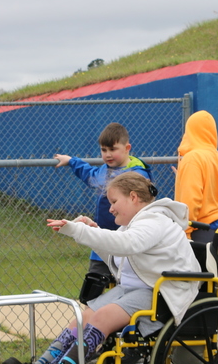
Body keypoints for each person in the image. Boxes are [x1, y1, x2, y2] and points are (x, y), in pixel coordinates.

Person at [0, 172, 199, 364]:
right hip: (137, 290)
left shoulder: (155, 221)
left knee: (102, 317)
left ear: (133, 197)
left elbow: (125, 244)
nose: (111, 208)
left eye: (114, 202)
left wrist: (82, 231)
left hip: (162, 294)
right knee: (83, 318)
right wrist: (92, 230)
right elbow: (117, 255)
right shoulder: (134, 224)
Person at [54, 122, 152, 302]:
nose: (107, 154)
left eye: (113, 149)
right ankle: (90, 313)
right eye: (103, 150)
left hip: (127, 243)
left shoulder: (137, 175)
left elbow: (146, 203)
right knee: (93, 287)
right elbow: (89, 174)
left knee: (128, 289)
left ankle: (120, 314)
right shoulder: (104, 171)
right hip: (102, 241)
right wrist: (72, 161)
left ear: (127, 148)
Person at [174, 110, 218, 243]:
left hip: (198, 229)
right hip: (217, 227)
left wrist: (186, 231)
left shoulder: (193, 158)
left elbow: (191, 199)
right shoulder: (216, 157)